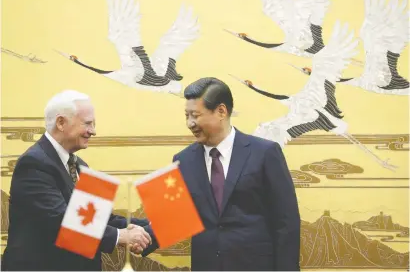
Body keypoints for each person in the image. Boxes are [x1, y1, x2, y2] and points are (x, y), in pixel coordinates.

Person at [2, 90, 158, 271]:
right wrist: (120, 236)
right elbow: (60, 221)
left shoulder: (80, 166)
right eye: (88, 123)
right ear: (61, 122)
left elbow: (101, 218)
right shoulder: (33, 164)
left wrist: (149, 227)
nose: (93, 131)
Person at [173, 77, 301, 271]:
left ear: (221, 111)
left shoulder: (265, 153)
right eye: (187, 116)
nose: (190, 123)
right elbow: (175, 217)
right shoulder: (183, 161)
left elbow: (286, 221)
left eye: (195, 115)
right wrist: (129, 232)